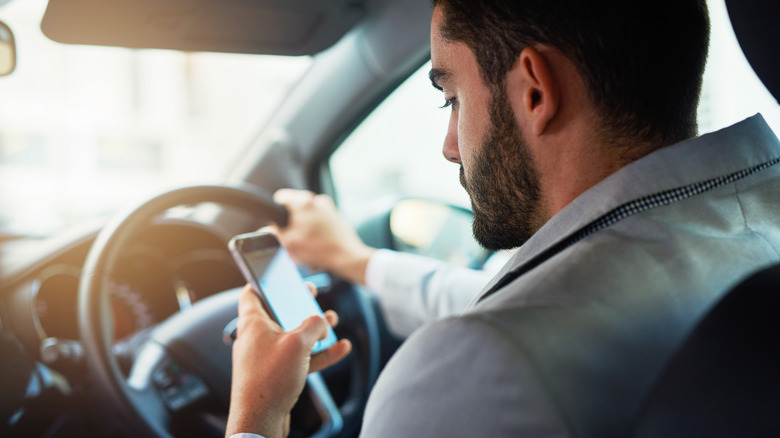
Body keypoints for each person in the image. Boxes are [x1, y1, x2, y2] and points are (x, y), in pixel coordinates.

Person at [227, 0, 780, 437]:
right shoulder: (753, 226)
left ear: (536, 90)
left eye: (452, 98)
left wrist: (255, 415)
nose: (449, 146)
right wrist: (355, 261)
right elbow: (521, 297)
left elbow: (513, 323)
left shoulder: (468, 375)